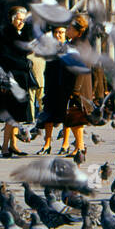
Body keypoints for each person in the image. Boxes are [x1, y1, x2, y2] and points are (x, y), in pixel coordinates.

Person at [0, 7, 38, 157]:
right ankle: (4, 146)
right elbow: (5, 57)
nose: (21, 22)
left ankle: (14, 145)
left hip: (22, 78)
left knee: (18, 114)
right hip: (10, 78)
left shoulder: (24, 33)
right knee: (11, 115)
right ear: (12, 19)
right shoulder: (5, 34)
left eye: (23, 19)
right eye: (19, 19)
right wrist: (24, 64)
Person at [61, 14, 95, 162]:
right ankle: (78, 146)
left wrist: (76, 89)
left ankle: (80, 146)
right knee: (74, 118)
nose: (67, 29)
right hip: (76, 84)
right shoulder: (76, 43)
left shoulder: (80, 45)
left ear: (78, 31)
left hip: (78, 86)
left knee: (76, 118)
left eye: (69, 27)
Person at [37, 24, 71, 154]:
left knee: (65, 117)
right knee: (48, 116)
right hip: (51, 87)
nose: (58, 35)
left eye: (61, 32)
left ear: (66, 33)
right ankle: (47, 144)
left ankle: (65, 143)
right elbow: (47, 70)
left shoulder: (70, 49)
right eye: (56, 32)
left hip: (65, 88)